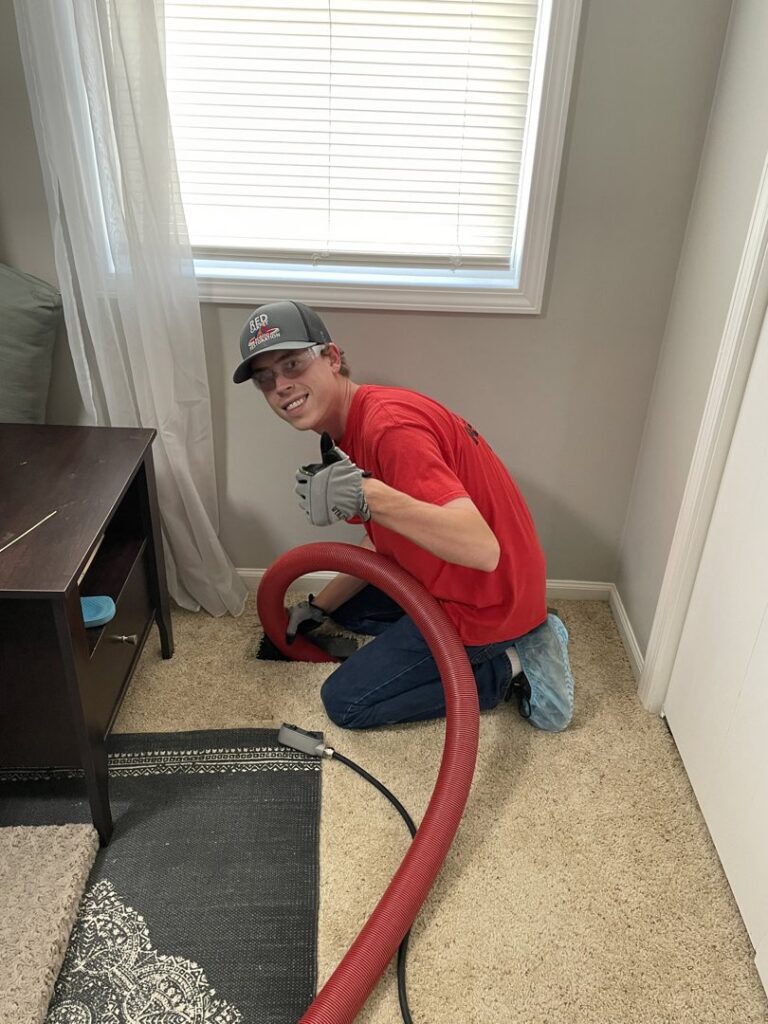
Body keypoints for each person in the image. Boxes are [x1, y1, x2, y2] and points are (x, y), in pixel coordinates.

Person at [233, 299, 574, 732]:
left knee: (345, 702)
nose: (281, 385)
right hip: (458, 577)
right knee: (351, 611)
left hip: (487, 599)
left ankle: (511, 662)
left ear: (332, 358)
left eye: (293, 365)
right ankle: (507, 635)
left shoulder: (389, 430)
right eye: (266, 379)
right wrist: (319, 608)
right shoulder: (348, 427)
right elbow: (382, 541)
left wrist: (366, 493)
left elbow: (482, 549)